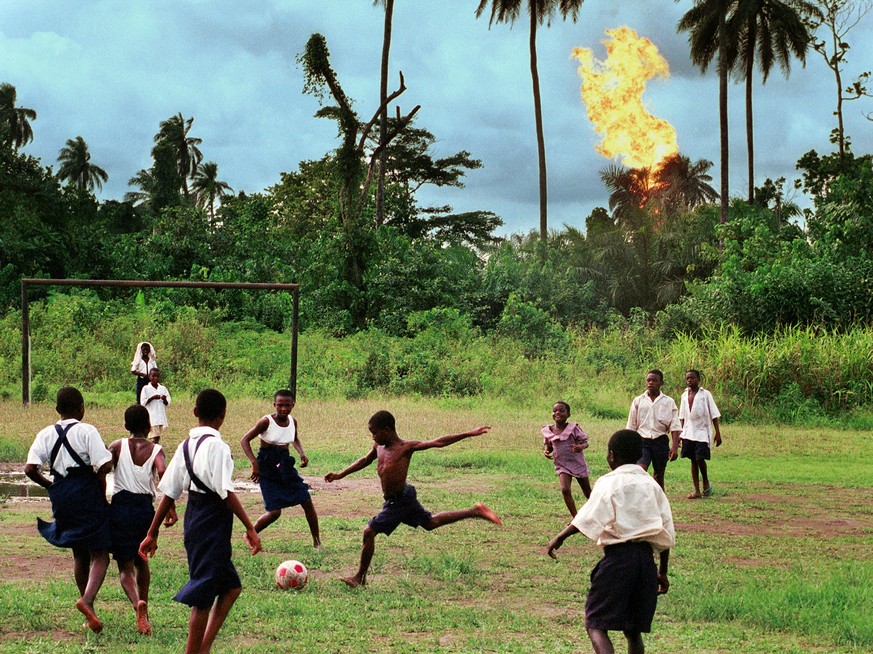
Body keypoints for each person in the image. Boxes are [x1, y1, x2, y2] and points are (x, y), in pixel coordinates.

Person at [139, 389, 262, 654]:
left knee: (231, 587)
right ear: (223, 416)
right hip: (212, 519)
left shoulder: (185, 446)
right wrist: (250, 527)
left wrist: (152, 532)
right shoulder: (219, 447)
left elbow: (169, 492)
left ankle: (203, 648)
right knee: (204, 596)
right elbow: (225, 492)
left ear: (195, 412)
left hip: (195, 516)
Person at [324, 410, 502, 587]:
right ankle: (475, 510)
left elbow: (439, 442)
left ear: (386, 430)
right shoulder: (378, 447)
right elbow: (364, 460)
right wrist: (340, 474)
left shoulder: (405, 448)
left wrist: (469, 433)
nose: (373, 437)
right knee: (430, 523)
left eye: (375, 432)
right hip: (400, 498)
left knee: (369, 532)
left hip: (400, 501)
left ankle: (360, 578)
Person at [546, 429, 675, 654]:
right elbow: (666, 532)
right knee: (633, 630)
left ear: (612, 455)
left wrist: (560, 536)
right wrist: (662, 572)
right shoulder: (652, 485)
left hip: (618, 560)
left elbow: (588, 516)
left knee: (595, 623)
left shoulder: (609, 482)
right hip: (646, 563)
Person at [24, 386, 113, 634]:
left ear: (57, 410)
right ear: (82, 408)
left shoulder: (45, 434)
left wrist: (51, 486)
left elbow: (30, 468)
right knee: (100, 553)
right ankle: (87, 601)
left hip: (61, 493)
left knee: (79, 553)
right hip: (86, 492)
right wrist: (104, 468)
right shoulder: (87, 431)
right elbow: (104, 464)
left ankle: (90, 614)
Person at [108, 404, 177, 635]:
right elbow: (163, 472)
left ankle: (136, 602)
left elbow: (102, 467)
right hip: (144, 509)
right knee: (142, 561)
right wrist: (170, 506)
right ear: (149, 426)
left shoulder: (117, 446)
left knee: (125, 568)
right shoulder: (156, 449)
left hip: (119, 507)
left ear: (126, 426)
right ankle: (144, 610)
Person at [240, 390, 321, 547]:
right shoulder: (266, 422)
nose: (283, 409)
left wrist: (302, 453)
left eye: (287, 405)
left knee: (306, 500)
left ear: (293, 405)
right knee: (275, 512)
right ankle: (250, 533)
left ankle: (317, 542)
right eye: (280, 405)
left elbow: (294, 438)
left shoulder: (293, 421)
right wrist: (254, 463)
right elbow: (244, 440)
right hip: (267, 466)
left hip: (285, 465)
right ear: (274, 405)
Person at [626, 369, 681, 491]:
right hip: (642, 441)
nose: (651, 383)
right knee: (640, 469)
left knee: (659, 474)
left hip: (660, 441)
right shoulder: (638, 400)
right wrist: (630, 446)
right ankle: (640, 496)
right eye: (648, 380)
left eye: (654, 381)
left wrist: (675, 447)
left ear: (661, 383)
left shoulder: (668, 402)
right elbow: (631, 426)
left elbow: (675, 426)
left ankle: (660, 503)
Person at [542, 401, 591, 518]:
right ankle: (576, 518)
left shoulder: (573, 429)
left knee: (588, 492)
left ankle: (599, 513)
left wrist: (580, 447)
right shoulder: (549, 431)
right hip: (562, 464)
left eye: (561, 411)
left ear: (568, 414)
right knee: (565, 489)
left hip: (577, 463)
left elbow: (585, 443)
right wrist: (547, 451)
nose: (557, 413)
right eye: (554, 411)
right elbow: (549, 445)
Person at [679, 369, 723, 499]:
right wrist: (681, 434)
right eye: (687, 378)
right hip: (688, 431)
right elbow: (682, 416)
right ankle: (696, 490)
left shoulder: (705, 395)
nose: (689, 380)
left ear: (698, 379)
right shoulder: (684, 396)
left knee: (700, 458)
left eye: (692, 378)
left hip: (702, 431)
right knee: (693, 460)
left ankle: (706, 482)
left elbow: (714, 414)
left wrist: (717, 433)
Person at [140, 367, 171, 443]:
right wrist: (152, 398)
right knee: (156, 437)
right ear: (149, 377)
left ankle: (152, 448)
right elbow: (143, 402)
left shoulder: (162, 388)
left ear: (159, 378)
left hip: (160, 416)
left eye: (157, 376)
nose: (155, 378)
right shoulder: (146, 388)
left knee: (157, 436)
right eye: (153, 376)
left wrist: (164, 399)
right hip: (152, 416)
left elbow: (168, 402)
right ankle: (152, 449)